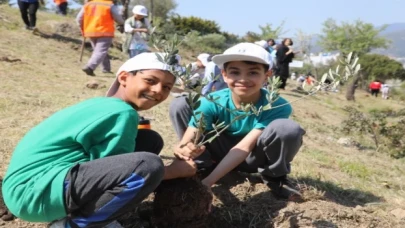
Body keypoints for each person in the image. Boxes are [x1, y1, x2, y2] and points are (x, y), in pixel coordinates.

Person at [2, 53, 197, 228]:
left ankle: (84, 209)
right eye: (150, 80)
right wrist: (172, 171)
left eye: (166, 87)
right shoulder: (123, 113)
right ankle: (78, 224)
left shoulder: (105, 105)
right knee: (150, 165)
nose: (158, 90)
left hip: (24, 189)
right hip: (35, 195)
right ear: (124, 78)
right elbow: (127, 173)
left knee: (149, 140)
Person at [169, 43, 305, 200]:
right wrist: (183, 149)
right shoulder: (213, 101)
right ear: (224, 75)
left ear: (267, 75)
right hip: (217, 153)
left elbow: (244, 146)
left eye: (253, 73)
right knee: (181, 103)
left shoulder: (277, 105)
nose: (243, 79)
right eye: (235, 72)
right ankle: (201, 165)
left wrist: (207, 183)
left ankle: (275, 178)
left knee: (287, 129)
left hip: (252, 158)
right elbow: (191, 135)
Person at [76, 0, 125, 76]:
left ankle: (106, 69)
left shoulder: (88, 4)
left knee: (99, 51)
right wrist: (122, 23)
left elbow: (79, 19)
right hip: (105, 31)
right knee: (100, 51)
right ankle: (90, 67)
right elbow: (118, 17)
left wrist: (83, 28)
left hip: (91, 31)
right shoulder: (109, 4)